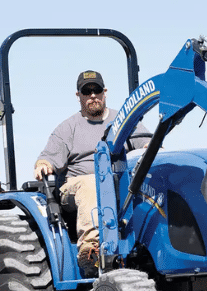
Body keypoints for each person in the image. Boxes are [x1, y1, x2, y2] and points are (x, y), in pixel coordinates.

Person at [34, 70, 148, 276]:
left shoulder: (124, 119)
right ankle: (90, 252)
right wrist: (43, 164)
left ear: (105, 92)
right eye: (87, 91)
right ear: (79, 96)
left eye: (96, 90)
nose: (93, 95)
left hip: (120, 184)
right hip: (77, 187)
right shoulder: (68, 128)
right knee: (92, 183)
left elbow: (146, 143)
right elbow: (48, 157)